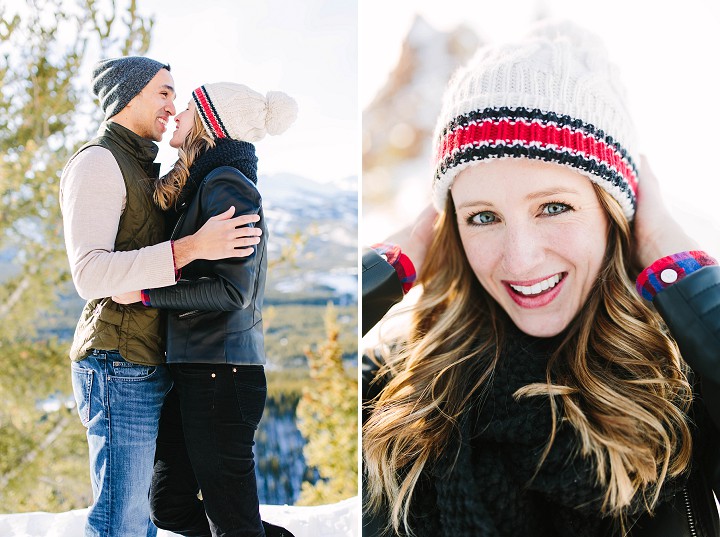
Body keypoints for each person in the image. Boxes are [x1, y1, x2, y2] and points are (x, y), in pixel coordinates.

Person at [362, 21, 720, 537]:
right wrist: (381, 272)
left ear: (616, 214)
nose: (521, 260)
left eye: (553, 207)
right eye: (483, 216)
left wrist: (678, 264)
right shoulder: (397, 388)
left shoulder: (682, 384)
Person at [60, 57, 262, 537]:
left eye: (177, 98)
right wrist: (192, 247)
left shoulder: (144, 168)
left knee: (144, 519)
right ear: (128, 96)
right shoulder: (98, 163)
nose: (173, 106)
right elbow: (89, 274)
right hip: (116, 360)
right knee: (122, 521)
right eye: (164, 93)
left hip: (153, 360)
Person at [112, 82, 298, 537]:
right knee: (169, 506)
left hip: (222, 374)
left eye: (190, 108)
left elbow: (233, 291)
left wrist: (146, 294)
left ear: (212, 123)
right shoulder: (206, 182)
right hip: (195, 370)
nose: (177, 113)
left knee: (231, 523)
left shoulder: (228, 184)